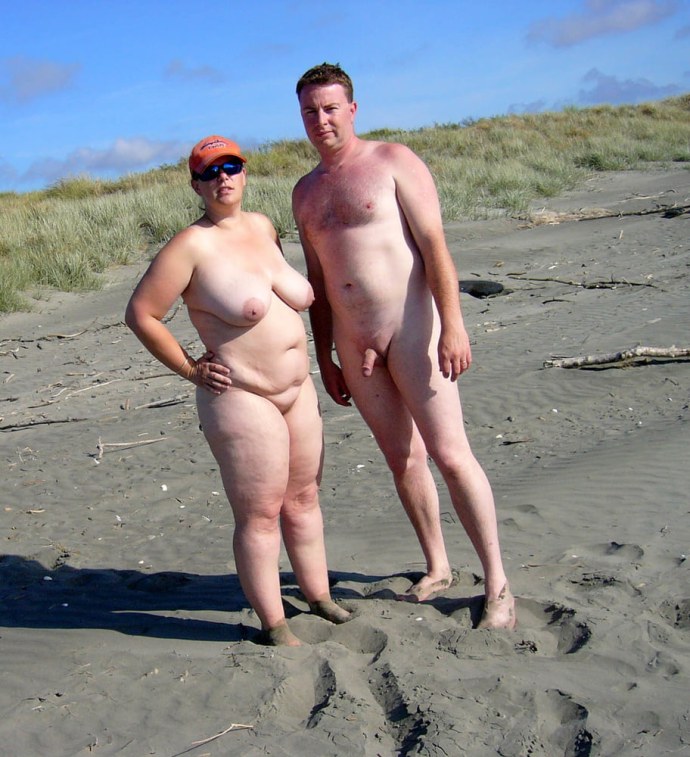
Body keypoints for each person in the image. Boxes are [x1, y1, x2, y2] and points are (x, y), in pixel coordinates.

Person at [292, 64, 516, 629]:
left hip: (415, 330)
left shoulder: (393, 160)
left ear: (352, 109)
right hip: (355, 344)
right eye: (310, 111)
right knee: (403, 458)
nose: (321, 120)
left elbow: (434, 245)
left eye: (330, 108)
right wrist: (325, 355)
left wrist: (454, 324)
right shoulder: (305, 192)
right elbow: (318, 281)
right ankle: (437, 565)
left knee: (451, 454)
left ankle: (497, 584)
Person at [125, 134, 351, 646]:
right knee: (260, 514)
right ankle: (276, 626)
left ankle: (319, 597)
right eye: (209, 171)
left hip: (297, 389)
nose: (222, 178)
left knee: (304, 498)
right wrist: (190, 369)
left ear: (244, 173)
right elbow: (141, 314)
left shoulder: (264, 227)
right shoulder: (189, 246)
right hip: (243, 396)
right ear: (195, 185)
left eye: (231, 167)